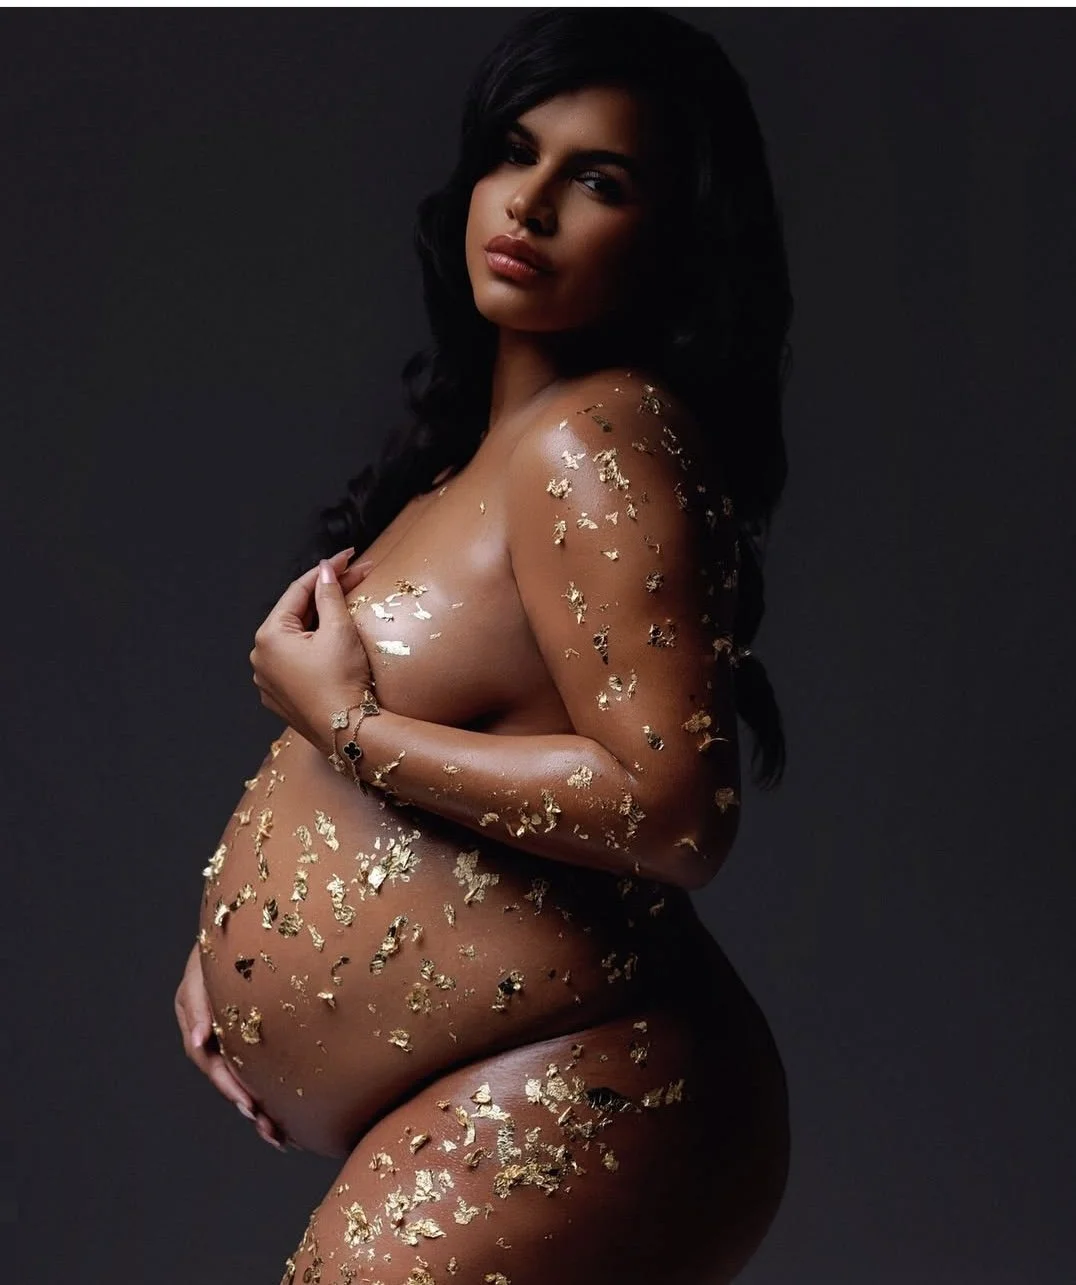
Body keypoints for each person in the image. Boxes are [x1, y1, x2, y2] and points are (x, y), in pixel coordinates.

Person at [174, 8, 794, 1283]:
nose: (531, 203)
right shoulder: (459, 470)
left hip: (590, 1079)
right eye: (514, 153)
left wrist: (348, 726)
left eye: (599, 180)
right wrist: (223, 956)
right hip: (484, 1087)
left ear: (671, 235)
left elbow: (674, 811)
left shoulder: (597, 439)